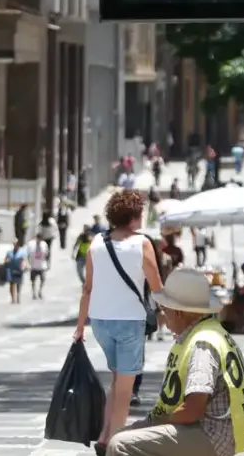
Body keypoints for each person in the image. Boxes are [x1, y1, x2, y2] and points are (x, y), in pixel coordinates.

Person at [105, 267, 244, 456]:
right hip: (211, 432)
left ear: (178, 312)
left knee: (121, 445)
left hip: (210, 435)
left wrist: (156, 423)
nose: (163, 313)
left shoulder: (202, 344)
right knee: (125, 435)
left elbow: (193, 409)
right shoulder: (208, 333)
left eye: (164, 308)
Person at [73, 190, 164, 453]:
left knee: (116, 381)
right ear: (135, 216)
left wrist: (80, 327)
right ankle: (117, 445)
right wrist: (170, 312)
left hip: (100, 321)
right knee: (125, 390)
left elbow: (87, 289)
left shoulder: (96, 243)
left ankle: (104, 437)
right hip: (129, 321)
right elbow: (156, 287)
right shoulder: (143, 244)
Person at [26, 234, 50, 300]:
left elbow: (47, 254)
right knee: (33, 281)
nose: (38, 240)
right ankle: (34, 293)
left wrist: (48, 263)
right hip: (33, 266)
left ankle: (40, 291)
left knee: (43, 280)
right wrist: (28, 263)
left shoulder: (44, 244)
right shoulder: (31, 244)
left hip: (42, 266)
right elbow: (27, 254)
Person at [4, 240, 27, 304]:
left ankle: (18, 296)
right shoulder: (9, 252)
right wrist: (7, 261)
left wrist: (24, 266)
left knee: (18, 284)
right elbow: (6, 259)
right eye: (14, 244)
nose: (15, 245)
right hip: (11, 270)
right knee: (11, 284)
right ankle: (12, 298)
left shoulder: (22, 252)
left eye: (16, 244)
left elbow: (24, 260)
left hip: (18, 270)